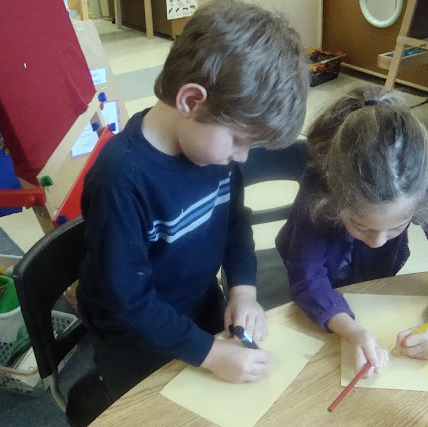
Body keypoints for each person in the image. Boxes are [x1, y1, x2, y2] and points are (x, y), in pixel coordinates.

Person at [76, 0, 309, 408]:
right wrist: (211, 354)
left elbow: (235, 224)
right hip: (134, 339)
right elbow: (126, 300)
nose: (242, 158)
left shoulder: (214, 154)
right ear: (190, 101)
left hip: (200, 308)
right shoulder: (121, 178)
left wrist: (243, 291)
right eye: (239, 140)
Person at [275, 86, 428, 379]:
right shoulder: (322, 190)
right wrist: (352, 332)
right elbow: (307, 280)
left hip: (377, 275)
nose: (378, 241)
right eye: (361, 225)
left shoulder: (422, 190)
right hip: (319, 276)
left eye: (397, 227)